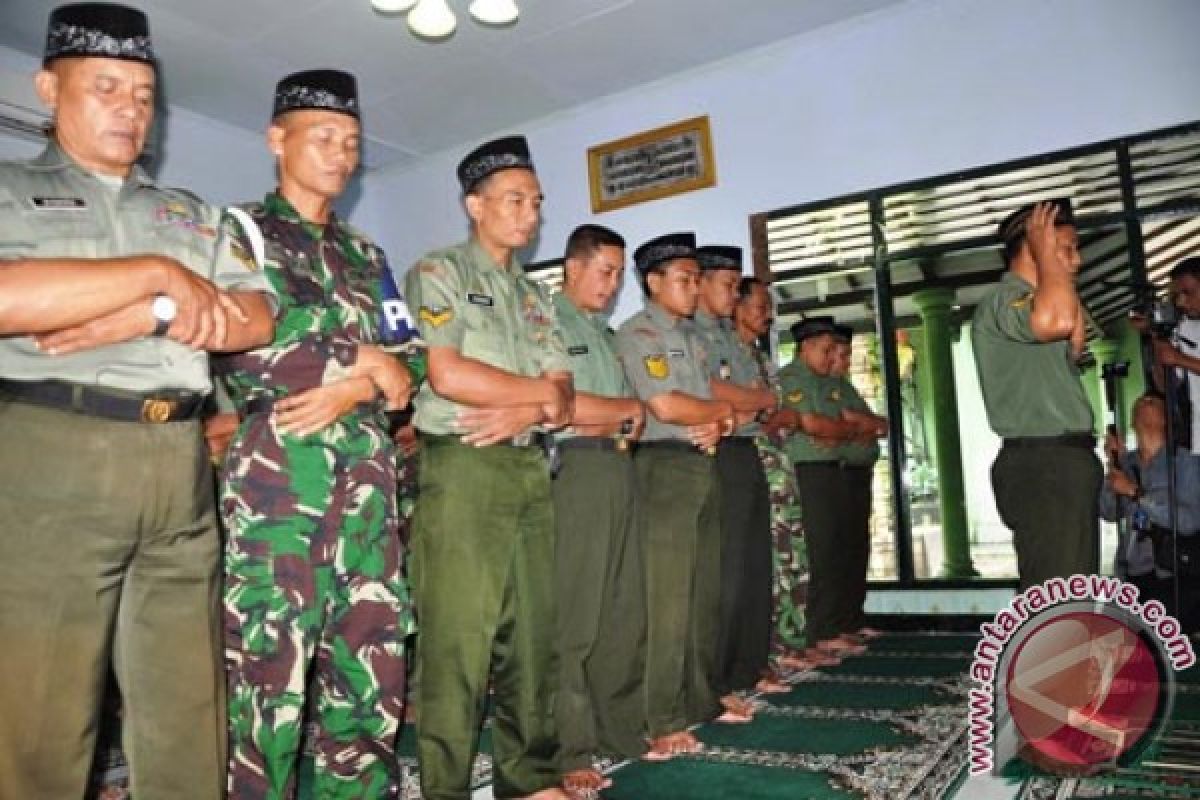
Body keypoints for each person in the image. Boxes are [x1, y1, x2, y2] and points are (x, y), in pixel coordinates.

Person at [0, 5, 276, 798]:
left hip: (177, 459)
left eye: (145, 94)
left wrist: (154, 312)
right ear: (49, 89)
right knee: (40, 712)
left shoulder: (192, 211)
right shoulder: (14, 188)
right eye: (107, 87)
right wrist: (157, 275)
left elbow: (253, 317)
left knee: (188, 702)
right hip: (54, 446)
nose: (130, 108)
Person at [216, 69, 417, 798]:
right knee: (268, 682)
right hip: (279, 492)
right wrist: (354, 357)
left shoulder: (369, 258)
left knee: (370, 673)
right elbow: (236, 340)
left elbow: (409, 361)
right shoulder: (239, 234)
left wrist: (355, 384)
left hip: (367, 497)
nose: (341, 153)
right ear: (277, 140)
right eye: (323, 137)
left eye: (353, 142)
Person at [404, 135, 574, 800]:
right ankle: (443, 785)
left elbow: (564, 396)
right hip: (464, 467)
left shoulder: (536, 296)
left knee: (533, 636)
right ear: (475, 205)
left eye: (536, 202)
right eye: (514, 199)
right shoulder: (441, 273)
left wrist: (531, 411)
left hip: (529, 469)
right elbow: (447, 374)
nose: (529, 214)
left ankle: (528, 777)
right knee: (458, 644)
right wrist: (538, 399)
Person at [614, 232, 736, 761]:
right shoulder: (638, 334)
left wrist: (717, 422)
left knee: (703, 593)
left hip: (700, 466)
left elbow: (709, 403)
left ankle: (700, 699)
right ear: (654, 281)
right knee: (667, 602)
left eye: (695, 278)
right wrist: (718, 418)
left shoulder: (694, 338)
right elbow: (665, 405)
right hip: (660, 469)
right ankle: (661, 717)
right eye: (684, 279)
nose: (693, 288)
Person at [551, 224, 648, 794]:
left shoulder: (603, 333)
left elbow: (622, 416)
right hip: (577, 469)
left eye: (618, 273)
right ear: (572, 267)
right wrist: (623, 409)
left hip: (616, 467)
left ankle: (620, 731)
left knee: (621, 610)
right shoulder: (548, 323)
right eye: (605, 271)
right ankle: (569, 747)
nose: (613, 284)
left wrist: (619, 414)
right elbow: (559, 407)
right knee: (575, 617)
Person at [971, 199, 1101, 588]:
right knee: (1056, 592)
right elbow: (1060, 322)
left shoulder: (1044, 299)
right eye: (1066, 249)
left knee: (1069, 586)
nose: (1075, 261)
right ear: (1033, 250)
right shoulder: (1004, 300)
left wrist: (1053, 267)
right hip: (1043, 462)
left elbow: (1079, 343)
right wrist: (1048, 259)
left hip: (1060, 461)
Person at [692, 246, 784, 703]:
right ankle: (718, 677)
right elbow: (715, 392)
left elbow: (760, 397)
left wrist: (754, 400)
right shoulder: (692, 334)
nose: (732, 293)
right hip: (716, 451)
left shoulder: (732, 338)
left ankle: (748, 664)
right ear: (702, 283)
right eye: (727, 285)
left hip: (746, 448)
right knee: (723, 570)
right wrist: (755, 400)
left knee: (752, 564)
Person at [731, 278, 830, 672]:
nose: (767, 315)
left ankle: (790, 642)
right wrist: (770, 414)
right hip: (755, 464)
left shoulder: (758, 356)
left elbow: (780, 415)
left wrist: (777, 416)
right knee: (768, 565)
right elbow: (756, 414)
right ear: (737, 307)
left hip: (779, 466)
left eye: (768, 308)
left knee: (792, 562)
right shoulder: (726, 353)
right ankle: (768, 652)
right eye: (759, 307)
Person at [776, 317, 867, 658]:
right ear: (806, 347)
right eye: (827, 350)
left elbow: (850, 425)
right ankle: (812, 633)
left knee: (833, 552)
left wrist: (836, 430)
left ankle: (829, 628)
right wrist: (837, 430)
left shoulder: (827, 385)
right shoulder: (790, 380)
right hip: (806, 473)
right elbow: (817, 425)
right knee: (814, 554)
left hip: (831, 470)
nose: (832, 358)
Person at [1099, 393, 1200, 630]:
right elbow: (1107, 512)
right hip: (1131, 575)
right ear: (1133, 422)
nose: (1145, 401)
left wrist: (1136, 493)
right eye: (1141, 401)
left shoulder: (1184, 462)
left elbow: (1190, 521)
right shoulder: (1127, 463)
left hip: (1172, 576)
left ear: (1167, 419)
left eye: (1154, 401)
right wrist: (1113, 464)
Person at [829, 325, 887, 641]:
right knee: (836, 553)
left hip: (859, 475)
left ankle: (852, 618)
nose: (844, 360)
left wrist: (865, 425)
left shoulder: (848, 388)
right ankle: (836, 624)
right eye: (839, 354)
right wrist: (862, 427)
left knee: (856, 550)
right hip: (840, 474)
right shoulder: (825, 388)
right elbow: (842, 426)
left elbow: (881, 425)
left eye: (847, 354)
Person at [1147, 256, 1200, 453]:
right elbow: (1165, 385)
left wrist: (1179, 359)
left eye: (1188, 292)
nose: (1181, 301)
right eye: (1177, 295)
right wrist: (1157, 338)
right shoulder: (1184, 328)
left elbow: (1179, 361)